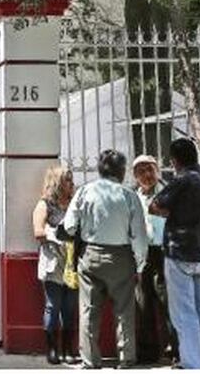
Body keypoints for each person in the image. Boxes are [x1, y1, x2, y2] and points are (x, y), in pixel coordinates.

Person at [60, 149, 148, 369]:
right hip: (121, 257)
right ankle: (126, 358)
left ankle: (90, 360)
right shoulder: (129, 195)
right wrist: (140, 263)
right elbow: (139, 234)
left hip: (90, 255)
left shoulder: (85, 191)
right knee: (124, 310)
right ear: (122, 170)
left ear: (100, 169)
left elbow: (69, 226)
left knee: (88, 310)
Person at [150, 138, 200, 370]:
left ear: (174, 160)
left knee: (184, 314)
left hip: (179, 252)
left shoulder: (183, 179)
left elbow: (155, 205)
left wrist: (170, 211)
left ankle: (193, 365)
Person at [132, 155, 178, 365]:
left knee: (167, 301)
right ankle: (148, 352)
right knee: (143, 303)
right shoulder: (134, 196)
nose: (146, 175)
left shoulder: (168, 192)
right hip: (142, 253)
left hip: (163, 251)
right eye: (141, 172)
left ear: (157, 171)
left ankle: (175, 348)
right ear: (135, 176)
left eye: (149, 169)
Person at [32, 165, 79, 365]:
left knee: (70, 308)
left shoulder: (75, 204)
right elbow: (38, 231)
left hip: (73, 263)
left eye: (71, 179)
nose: (72, 183)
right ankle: (52, 349)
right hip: (53, 262)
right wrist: (56, 236)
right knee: (53, 306)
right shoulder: (45, 204)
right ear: (57, 182)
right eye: (67, 180)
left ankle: (68, 349)